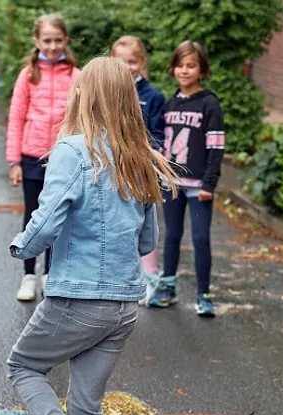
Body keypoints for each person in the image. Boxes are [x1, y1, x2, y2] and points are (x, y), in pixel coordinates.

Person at [6, 57, 177, 415]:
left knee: (23, 366)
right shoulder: (139, 156)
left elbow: (47, 218)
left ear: (84, 96)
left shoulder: (73, 151)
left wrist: (22, 247)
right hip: (123, 303)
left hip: (79, 296)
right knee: (86, 411)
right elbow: (147, 240)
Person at [5, 13, 79, 302]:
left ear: (66, 40)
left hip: (64, 158)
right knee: (33, 215)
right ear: (37, 41)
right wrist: (14, 161)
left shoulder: (76, 75)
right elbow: (16, 117)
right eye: (46, 40)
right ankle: (28, 275)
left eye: (58, 40)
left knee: (58, 217)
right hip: (32, 156)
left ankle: (51, 274)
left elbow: (81, 118)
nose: (52, 46)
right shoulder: (28, 75)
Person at [148, 40, 224, 318]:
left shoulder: (209, 104)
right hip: (173, 184)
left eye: (191, 65)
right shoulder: (169, 105)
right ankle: (167, 288)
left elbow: (216, 147)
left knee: (201, 238)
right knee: (171, 235)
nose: (184, 70)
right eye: (180, 65)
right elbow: (162, 144)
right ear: (172, 69)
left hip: (198, 187)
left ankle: (204, 293)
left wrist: (210, 183)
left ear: (202, 70)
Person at [110, 35, 164, 306]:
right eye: (121, 62)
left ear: (141, 62)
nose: (127, 67)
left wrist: (152, 165)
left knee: (144, 224)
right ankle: (121, 278)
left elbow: (158, 136)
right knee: (118, 224)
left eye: (132, 61)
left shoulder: (153, 97)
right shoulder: (109, 94)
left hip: (141, 170)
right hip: (113, 169)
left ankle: (150, 278)